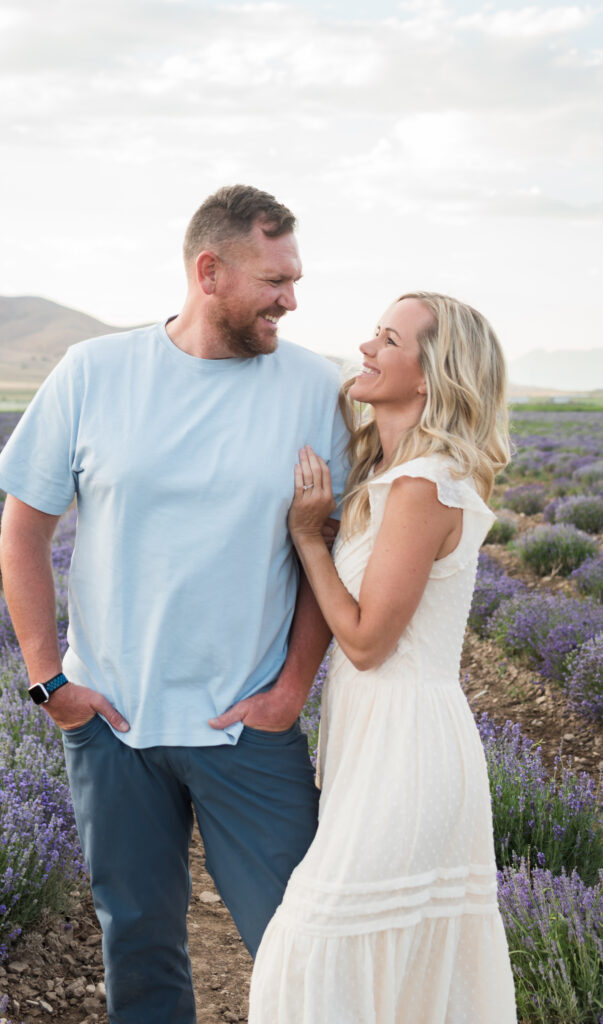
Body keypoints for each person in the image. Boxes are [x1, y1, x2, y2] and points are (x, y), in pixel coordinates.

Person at [0, 184, 350, 1024]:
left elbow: (325, 549)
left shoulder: (313, 386)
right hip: (112, 725)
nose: (291, 301)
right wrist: (52, 685)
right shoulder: (94, 372)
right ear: (209, 271)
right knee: (139, 946)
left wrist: (292, 688)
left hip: (247, 726)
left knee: (300, 943)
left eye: (295, 280)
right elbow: (21, 533)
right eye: (275, 280)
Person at [248, 291, 518, 1023]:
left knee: (318, 937)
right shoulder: (392, 475)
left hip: (408, 743)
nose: (365, 349)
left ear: (430, 374)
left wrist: (309, 539)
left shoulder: (422, 484)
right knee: (384, 950)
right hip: (377, 735)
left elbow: (365, 643)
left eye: (386, 338)